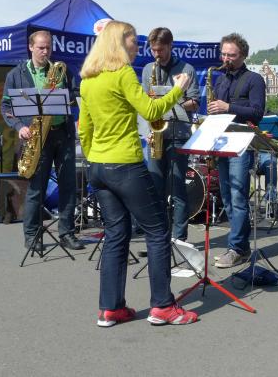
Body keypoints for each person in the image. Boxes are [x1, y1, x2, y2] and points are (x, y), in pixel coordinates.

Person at [79, 20, 197, 327]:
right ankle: (163, 306)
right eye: (133, 41)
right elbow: (152, 111)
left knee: (116, 234)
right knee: (158, 231)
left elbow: (85, 129)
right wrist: (178, 89)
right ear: (119, 42)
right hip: (125, 164)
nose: (137, 47)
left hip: (99, 165)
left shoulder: (88, 79)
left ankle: (111, 308)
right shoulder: (123, 73)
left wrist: (95, 158)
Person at [1, 30, 84, 253]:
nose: (45, 52)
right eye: (41, 48)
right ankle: (32, 235)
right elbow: (6, 106)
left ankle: (67, 233)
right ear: (31, 47)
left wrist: (68, 100)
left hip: (62, 134)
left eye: (48, 47)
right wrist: (19, 126)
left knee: (68, 186)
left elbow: (75, 96)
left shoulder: (61, 70)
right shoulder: (15, 74)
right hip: (36, 136)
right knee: (36, 188)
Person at [209, 33, 266, 268]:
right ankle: (240, 247)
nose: (226, 59)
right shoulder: (220, 80)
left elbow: (257, 112)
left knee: (238, 196)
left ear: (243, 56)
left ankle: (236, 248)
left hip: (241, 143)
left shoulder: (254, 79)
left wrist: (227, 107)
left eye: (231, 55)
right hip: (221, 141)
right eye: (223, 54)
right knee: (227, 197)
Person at [141, 28, 200, 242]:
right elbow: (144, 102)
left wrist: (175, 100)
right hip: (155, 135)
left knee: (177, 189)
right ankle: (158, 238)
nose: (157, 54)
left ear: (170, 45)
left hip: (178, 135)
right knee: (154, 189)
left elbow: (195, 103)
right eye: (153, 50)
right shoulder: (148, 69)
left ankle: (179, 239)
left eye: (161, 50)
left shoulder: (186, 69)